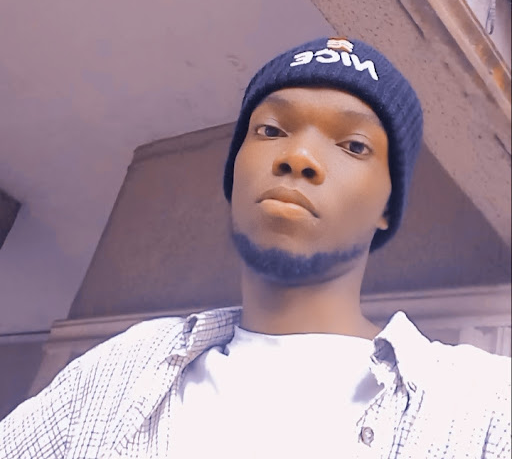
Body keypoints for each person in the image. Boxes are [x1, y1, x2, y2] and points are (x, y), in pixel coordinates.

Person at [0, 37, 510, 458]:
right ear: (234, 174)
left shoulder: (483, 408)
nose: (299, 155)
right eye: (270, 129)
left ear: (388, 205)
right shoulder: (114, 375)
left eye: (354, 145)